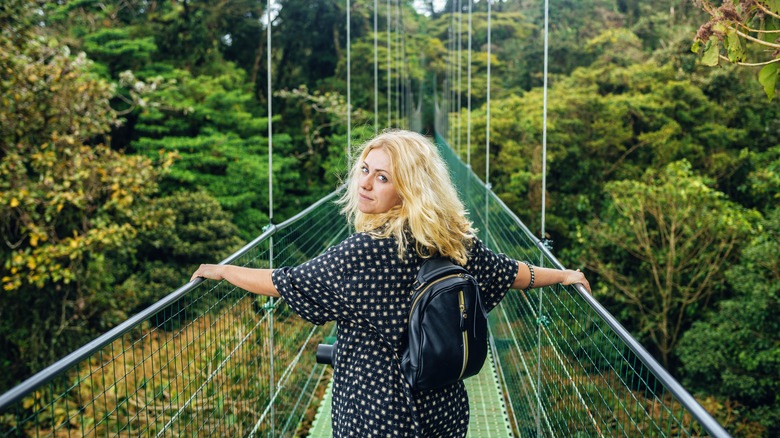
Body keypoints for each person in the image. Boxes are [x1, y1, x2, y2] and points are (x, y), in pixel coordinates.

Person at [191, 129, 590, 437]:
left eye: (383, 177)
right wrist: (563, 276)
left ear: (407, 189)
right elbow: (511, 272)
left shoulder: (363, 249)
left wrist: (225, 271)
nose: (365, 183)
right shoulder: (451, 239)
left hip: (376, 409)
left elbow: (284, 282)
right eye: (365, 170)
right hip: (442, 405)